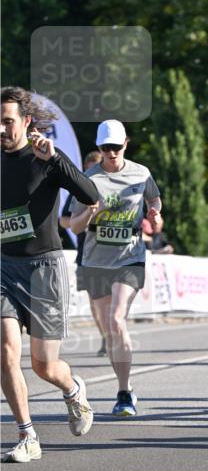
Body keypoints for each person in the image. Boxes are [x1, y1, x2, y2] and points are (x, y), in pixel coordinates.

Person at [1, 86, 97, 463]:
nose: (1, 129)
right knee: (6, 350)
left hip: (45, 267)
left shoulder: (45, 158)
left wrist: (56, 161)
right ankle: (27, 434)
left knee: (43, 364)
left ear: (26, 122)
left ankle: (73, 389)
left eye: (8, 121)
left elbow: (90, 195)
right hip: (4, 267)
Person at [69, 120, 162, 416]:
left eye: (116, 147)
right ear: (98, 148)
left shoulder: (141, 173)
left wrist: (156, 217)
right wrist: (89, 213)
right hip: (95, 260)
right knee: (110, 329)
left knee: (117, 318)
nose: (110, 153)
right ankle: (128, 388)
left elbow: (155, 200)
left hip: (129, 257)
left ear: (126, 144)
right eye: (105, 147)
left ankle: (123, 393)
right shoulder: (87, 178)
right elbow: (73, 224)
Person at [59, 150, 107, 355]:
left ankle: (115, 330)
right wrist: (81, 221)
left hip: (113, 253)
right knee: (95, 300)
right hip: (87, 253)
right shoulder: (77, 191)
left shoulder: (114, 188)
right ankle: (106, 337)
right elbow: (63, 220)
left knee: (111, 299)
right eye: (90, 170)